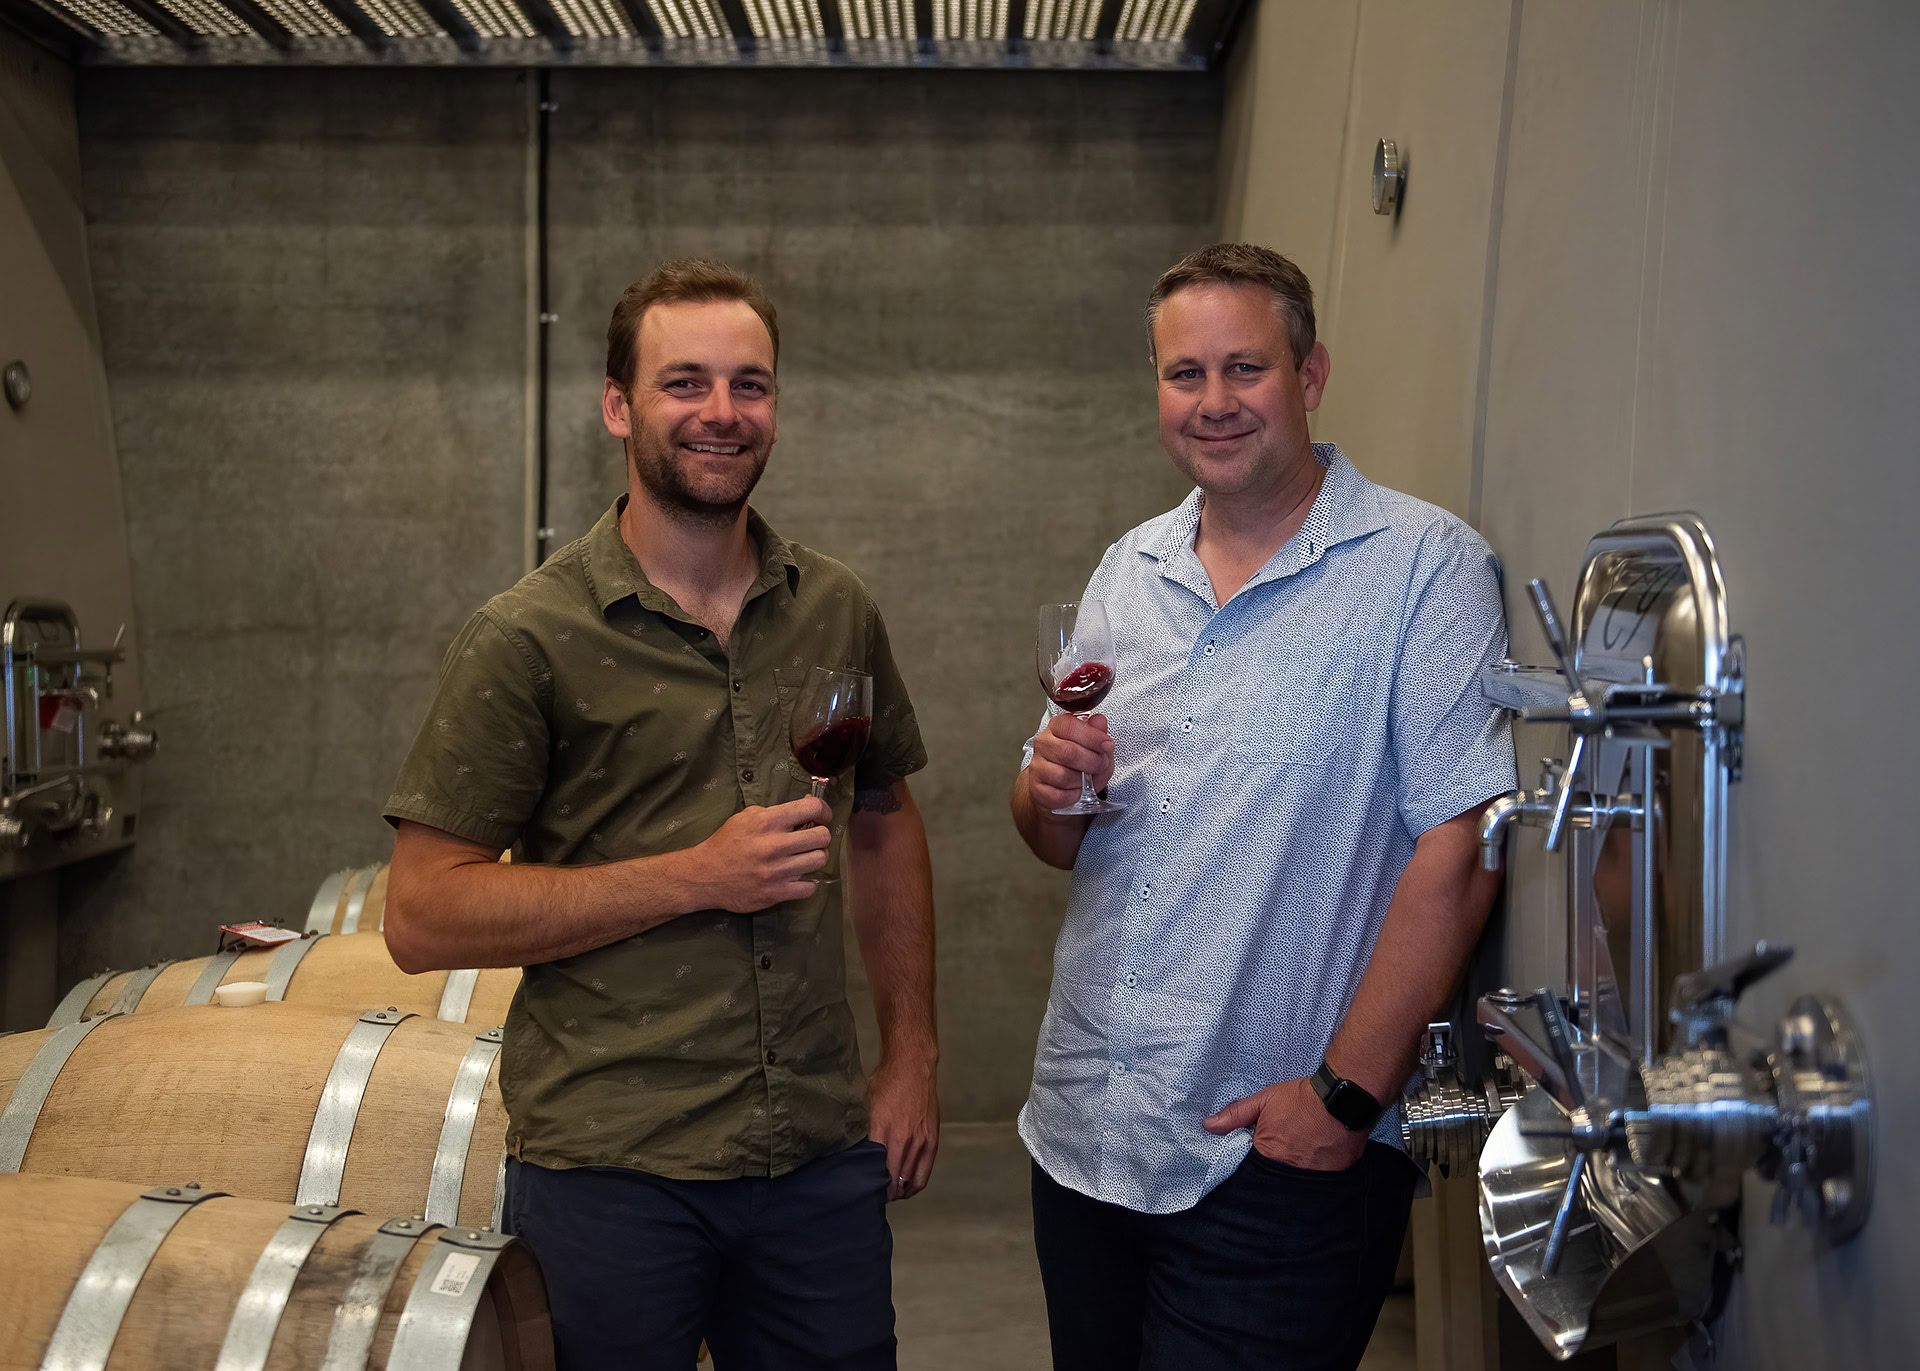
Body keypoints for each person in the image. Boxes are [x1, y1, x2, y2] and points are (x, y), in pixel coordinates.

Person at [383, 259, 938, 1371]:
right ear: (617, 405)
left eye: (751, 385)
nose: (722, 414)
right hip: (613, 1172)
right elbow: (423, 917)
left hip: (817, 1163)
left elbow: (882, 818)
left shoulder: (833, 606)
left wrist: (913, 1056)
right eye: (685, 383)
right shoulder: (525, 637)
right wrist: (695, 876)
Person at [1009, 242, 1515, 1371]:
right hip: (1087, 1132)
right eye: (1184, 375)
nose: (1214, 402)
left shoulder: (1423, 569)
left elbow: (1466, 843)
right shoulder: (1127, 569)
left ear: (1310, 373)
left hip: (1272, 1154)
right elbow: (1056, 839)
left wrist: (1346, 1095)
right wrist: (1043, 790)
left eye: (1245, 368)